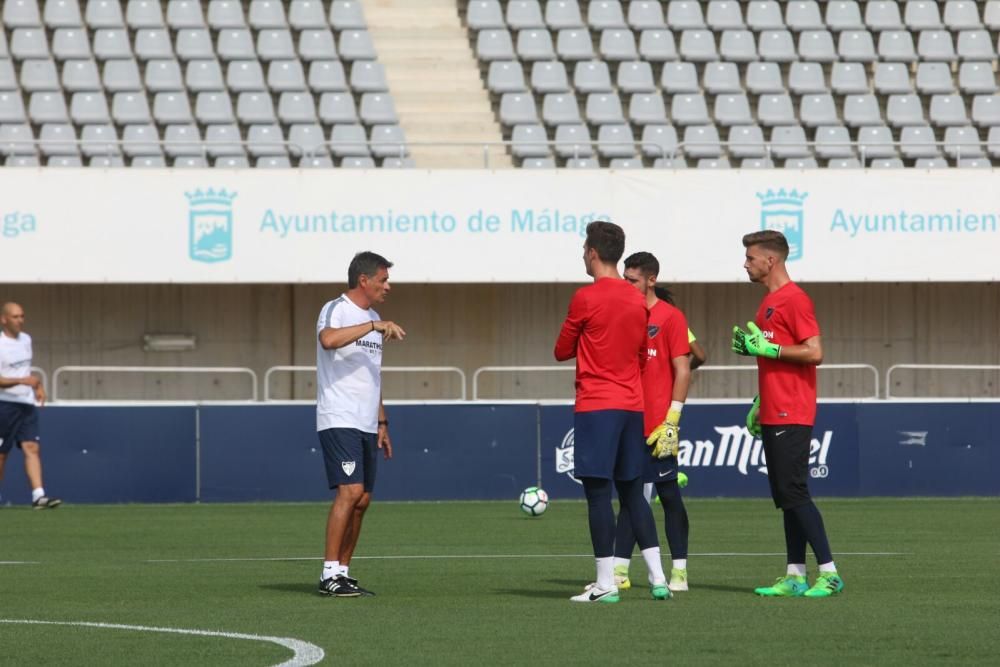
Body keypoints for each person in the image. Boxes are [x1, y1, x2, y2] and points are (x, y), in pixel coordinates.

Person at [555, 222, 669, 603]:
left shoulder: (585, 297)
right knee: (634, 493)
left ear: (591, 252)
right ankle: (659, 578)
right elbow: (639, 353)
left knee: (598, 496)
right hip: (631, 405)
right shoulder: (637, 299)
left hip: (597, 404)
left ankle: (605, 585)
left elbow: (561, 348)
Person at [732, 230, 844, 598]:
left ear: (771, 260)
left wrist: (771, 348)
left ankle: (828, 573)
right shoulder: (766, 304)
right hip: (775, 408)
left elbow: (814, 352)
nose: (745, 263)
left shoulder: (794, 300)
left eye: (750, 257)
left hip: (792, 409)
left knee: (793, 492)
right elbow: (774, 355)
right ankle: (795, 575)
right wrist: (759, 400)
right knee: (786, 495)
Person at [315, 252, 406, 597]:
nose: (388, 286)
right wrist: (372, 326)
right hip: (339, 416)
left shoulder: (375, 316)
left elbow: (372, 374)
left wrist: (382, 421)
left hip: (367, 421)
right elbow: (328, 340)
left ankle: (342, 572)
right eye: (383, 280)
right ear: (364, 280)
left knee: (363, 499)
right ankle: (327, 575)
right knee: (349, 492)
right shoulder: (336, 309)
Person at [613, 252, 693, 595]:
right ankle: (619, 571)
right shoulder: (623, 315)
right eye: (624, 278)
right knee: (631, 498)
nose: (626, 284)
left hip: (659, 426)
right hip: (628, 419)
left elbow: (684, 368)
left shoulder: (671, 317)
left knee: (669, 495)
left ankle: (680, 571)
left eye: (632, 279)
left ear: (650, 280)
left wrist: (672, 420)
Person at [0, 302, 61, 509]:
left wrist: (38, 386)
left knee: (31, 447)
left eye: (22, 316)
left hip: (26, 403)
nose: (20, 320)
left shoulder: (26, 340)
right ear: (4, 319)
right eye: (15, 317)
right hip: (4, 404)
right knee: (2, 452)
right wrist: (22, 381)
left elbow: (26, 370)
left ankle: (38, 496)